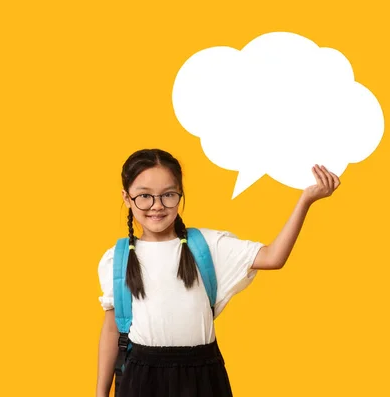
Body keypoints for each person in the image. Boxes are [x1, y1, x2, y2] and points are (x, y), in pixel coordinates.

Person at [96, 148, 340, 397]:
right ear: (127, 198)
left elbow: (273, 257)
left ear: (180, 194)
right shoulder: (117, 258)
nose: (157, 206)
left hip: (202, 375)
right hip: (141, 378)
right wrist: (100, 393)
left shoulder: (209, 245)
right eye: (144, 196)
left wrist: (305, 200)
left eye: (168, 195)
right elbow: (112, 330)